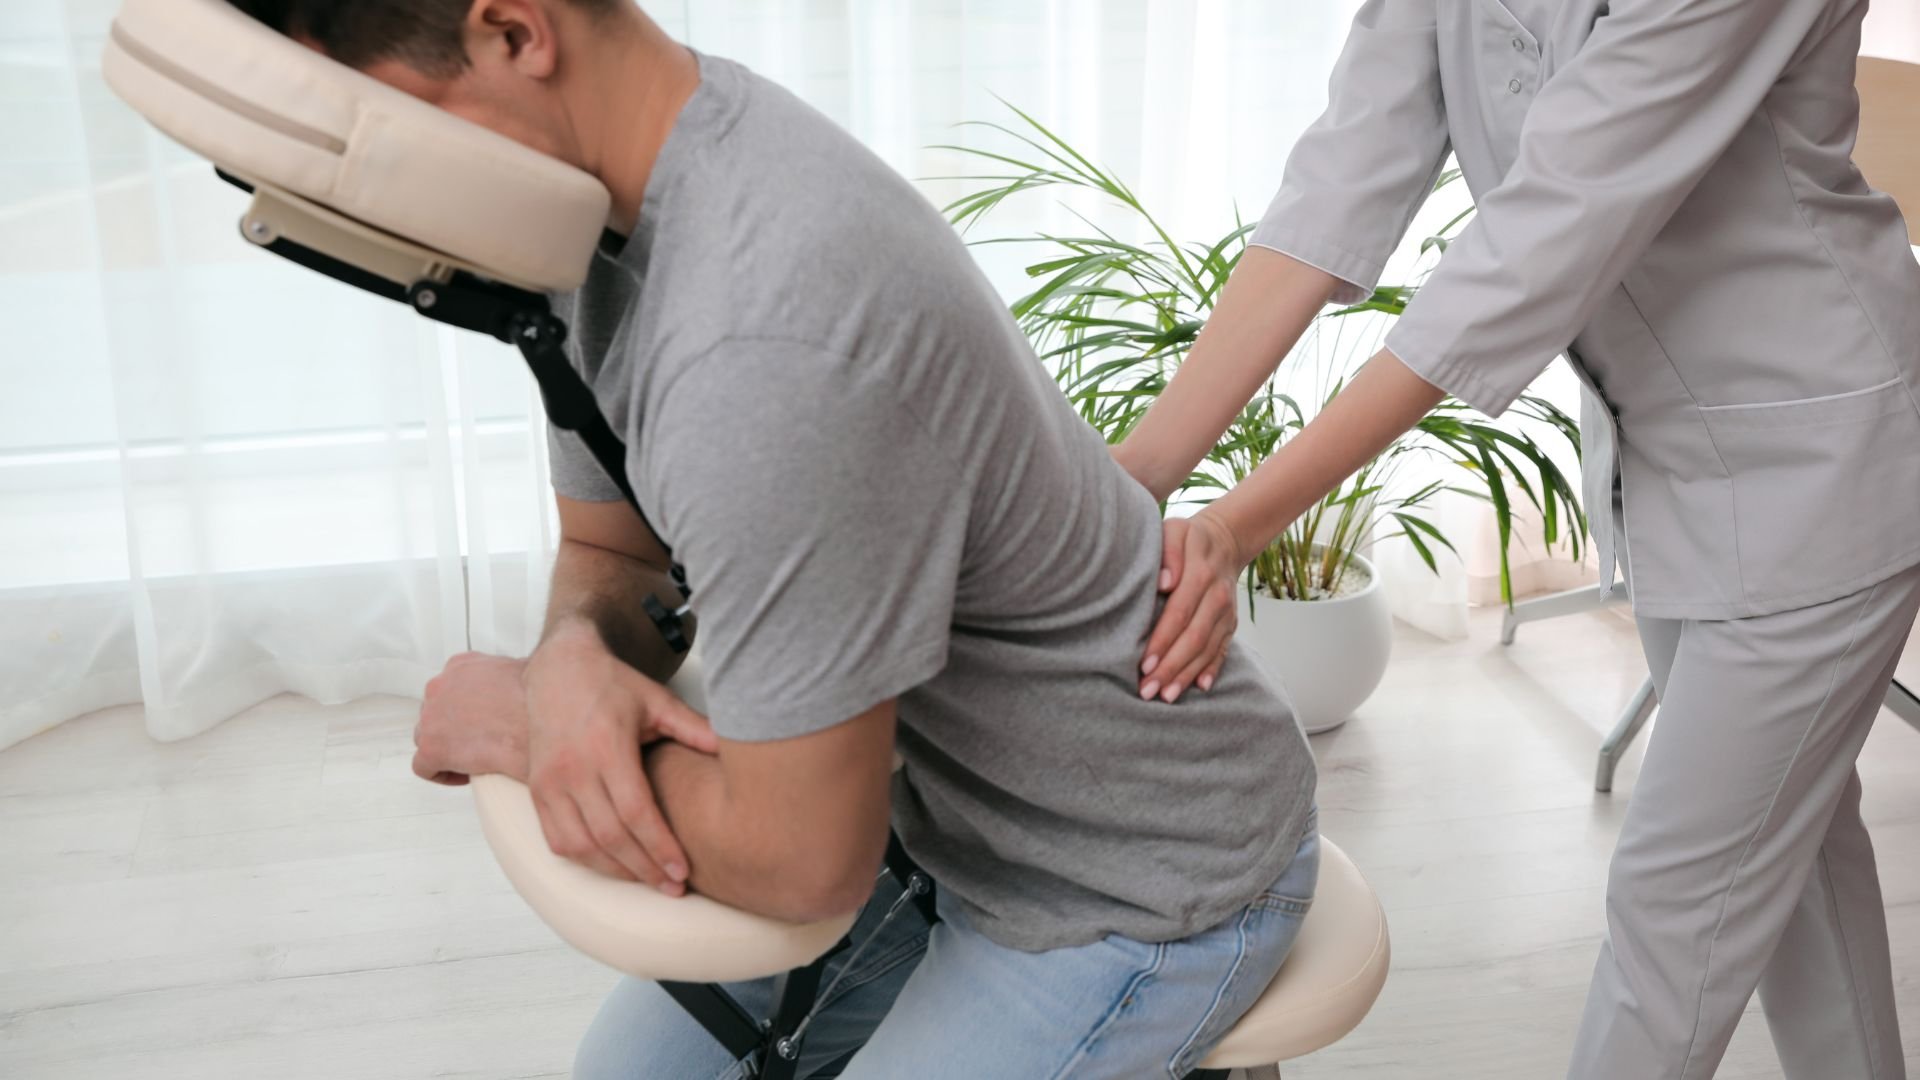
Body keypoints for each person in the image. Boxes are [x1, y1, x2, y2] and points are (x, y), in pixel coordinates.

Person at [227, 0, 1323, 1076]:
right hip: (941, 814)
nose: (385, 177)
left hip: (1136, 874)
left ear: (513, 32)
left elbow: (802, 860)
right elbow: (616, 554)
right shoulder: (612, 204)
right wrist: (568, 664)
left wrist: (518, 724)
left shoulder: (762, 337)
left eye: (388, 118)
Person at [1118, 1, 1920, 1077]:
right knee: (1795, 862)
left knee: (1675, 914)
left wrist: (1233, 525)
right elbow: (1340, 179)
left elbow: (1535, 248)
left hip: (1817, 467)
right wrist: (1136, 476)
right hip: (1676, 467)